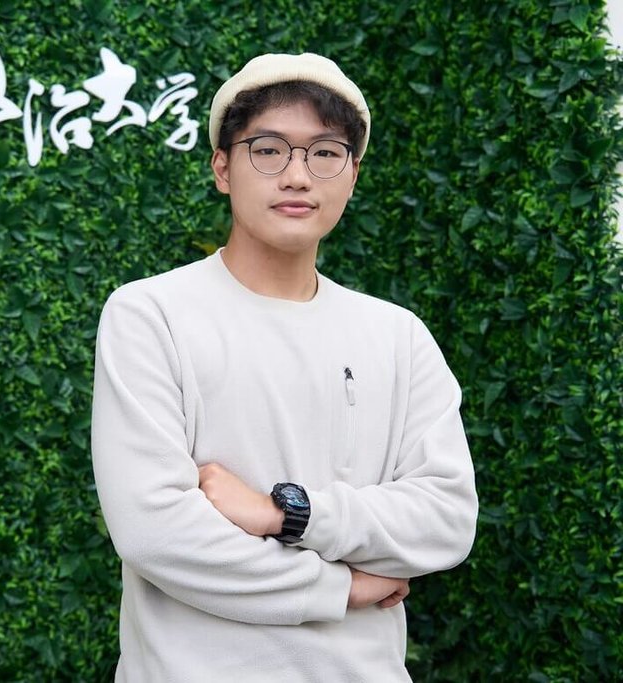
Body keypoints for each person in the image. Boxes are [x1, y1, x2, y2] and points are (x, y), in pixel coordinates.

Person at [90, 52, 478, 682]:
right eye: (268, 150)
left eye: (325, 153)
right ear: (222, 167)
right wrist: (339, 588)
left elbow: (446, 519)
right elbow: (154, 529)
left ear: (352, 175)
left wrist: (288, 514)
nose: (298, 176)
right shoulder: (151, 314)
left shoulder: (398, 336)